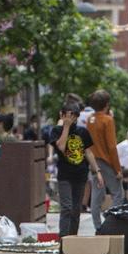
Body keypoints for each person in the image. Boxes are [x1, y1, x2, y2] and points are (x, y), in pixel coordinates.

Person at [47, 95, 94, 238]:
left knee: (76, 209)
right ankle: (63, 240)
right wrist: (66, 126)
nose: (70, 118)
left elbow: (88, 152)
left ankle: (73, 239)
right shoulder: (56, 131)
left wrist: (97, 171)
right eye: (67, 115)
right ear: (61, 115)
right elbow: (61, 147)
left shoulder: (83, 132)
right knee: (66, 207)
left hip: (80, 174)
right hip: (64, 174)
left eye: (73, 116)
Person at [86, 89, 127, 230]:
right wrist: (117, 169)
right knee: (118, 194)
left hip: (93, 161)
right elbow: (111, 146)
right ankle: (112, 223)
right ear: (107, 104)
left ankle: (98, 227)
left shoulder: (90, 119)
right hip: (106, 161)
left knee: (97, 195)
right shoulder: (108, 120)